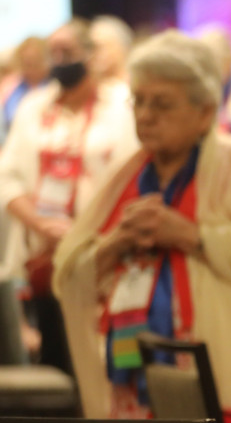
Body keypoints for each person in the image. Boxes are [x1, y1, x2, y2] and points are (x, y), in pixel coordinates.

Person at [52, 30, 231, 423]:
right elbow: (70, 270)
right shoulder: (126, 173)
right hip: (137, 366)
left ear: (205, 110)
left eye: (163, 103)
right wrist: (117, 243)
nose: (147, 115)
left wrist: (192, 236)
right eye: (139, 101)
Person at [0, 19, 139, 375]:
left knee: (103, 356)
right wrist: (43, 224)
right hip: (43, 253)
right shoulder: (33, 107)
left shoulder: (120, 106)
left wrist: (85, 231)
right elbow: (8, 177)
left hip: (102, 249)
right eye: (54, 53)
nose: (60, 60)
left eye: (69, 52)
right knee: (55, 356)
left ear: (90, 56)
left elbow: (130, 176)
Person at [1, 36, 51, 143]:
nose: (30, 68)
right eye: (26, 63)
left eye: (35, 62)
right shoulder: (11, 86)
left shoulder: (54, 87)